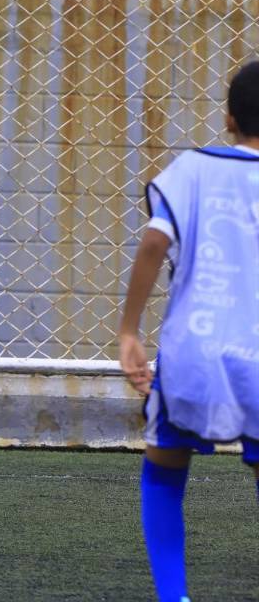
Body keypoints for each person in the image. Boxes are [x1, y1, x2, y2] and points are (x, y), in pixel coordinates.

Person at [117, 61, 259, 602]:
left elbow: (155, 242)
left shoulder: (190, 168)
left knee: (164, 470)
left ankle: (174, 597)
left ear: (227, 120)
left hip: (195, 352)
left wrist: (129, 329)